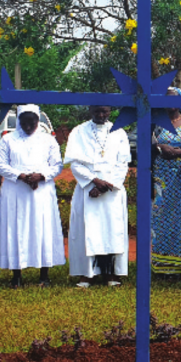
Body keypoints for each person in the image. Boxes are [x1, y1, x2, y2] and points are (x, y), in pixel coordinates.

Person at [0, 105, 65, 287]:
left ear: (38, 121)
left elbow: (57, 164)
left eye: (32, 121)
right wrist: (21, 176)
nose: (29, 125)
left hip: (41, 190)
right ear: (19, 121)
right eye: (24, 121)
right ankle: (16, 275)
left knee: (43, 229)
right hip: (15, 190)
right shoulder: (8, 139)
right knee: (16, 229)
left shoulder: (48, 140)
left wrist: (41, 176)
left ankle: (44, 275)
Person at [65, 105, 131, 288]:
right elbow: (75, 164)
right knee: (87, 231)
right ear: (90, 110)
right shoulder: (78, 131)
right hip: (88, 189)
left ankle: (111, 273)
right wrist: (93, 181)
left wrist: (105, 186)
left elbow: (123, 164)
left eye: (104, 111)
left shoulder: (119, 132)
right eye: (96, 111)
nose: (101, 115)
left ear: (110, 110)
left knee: (111, 231)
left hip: (111, 191)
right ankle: (87, 274)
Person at [151, 88, 181, 273]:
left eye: (175, 99)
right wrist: (159, 147)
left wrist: (179, 152)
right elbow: (144, 144)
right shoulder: (154, 121)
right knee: (161, 220)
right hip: (161, 180)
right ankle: (162, 266)